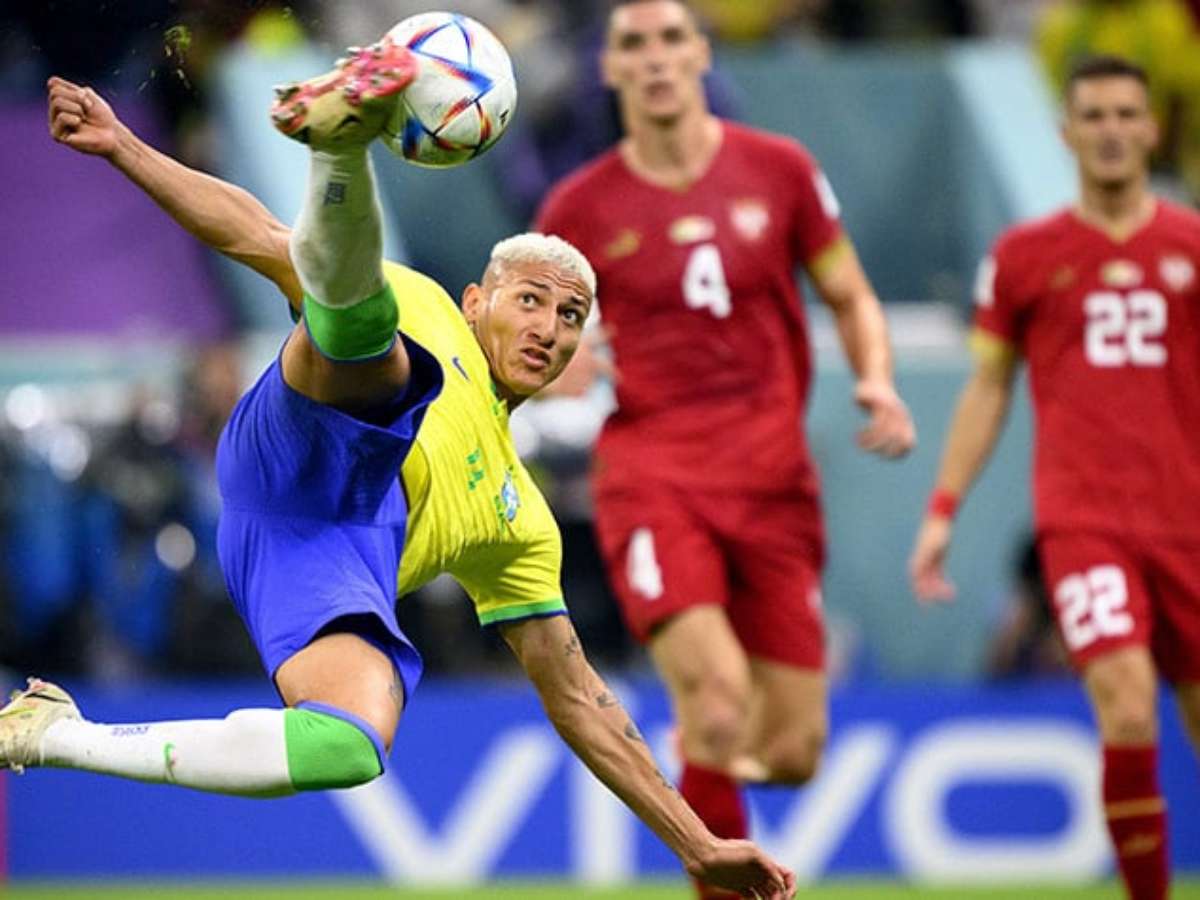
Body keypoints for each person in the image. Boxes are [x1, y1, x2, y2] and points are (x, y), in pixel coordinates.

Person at [7, 39, 797, 900]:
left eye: (569, 315)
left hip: (319, 555)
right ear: (477, 302)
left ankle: (54, 734)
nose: (546, 325)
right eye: (527, 298)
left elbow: (579, 699)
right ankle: (340, 146)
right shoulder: (427, 304)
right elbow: (256, 235)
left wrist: (695, 844)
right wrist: (125, 146)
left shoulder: (518, 520)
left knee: (351, 744)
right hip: (300, 437)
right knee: (379, 351)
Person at [534, 3, 915, 895]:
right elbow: (531, 334)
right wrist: (560, 364)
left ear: (703, 53)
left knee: (791, 753)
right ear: (611, 70)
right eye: (635, 43)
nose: (657, 57)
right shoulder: (577, 207)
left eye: (673, 38)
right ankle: (703, 768)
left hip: (775, 481)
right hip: (656, 477)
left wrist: (879, 380)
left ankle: (697, 773)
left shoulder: (780, 170)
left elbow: (851, 295)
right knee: (713, 701)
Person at [910, 55, 1200, 900]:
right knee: (1127, 705)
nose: (1111, 130)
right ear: (1067, 133)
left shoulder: (1191, 246)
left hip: (1189, 521)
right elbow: (989, 388)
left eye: (1125, 113)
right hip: (1086, 524)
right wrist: (941, 509)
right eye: (1094, 116)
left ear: (1151, 128)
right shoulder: (1027, 256)